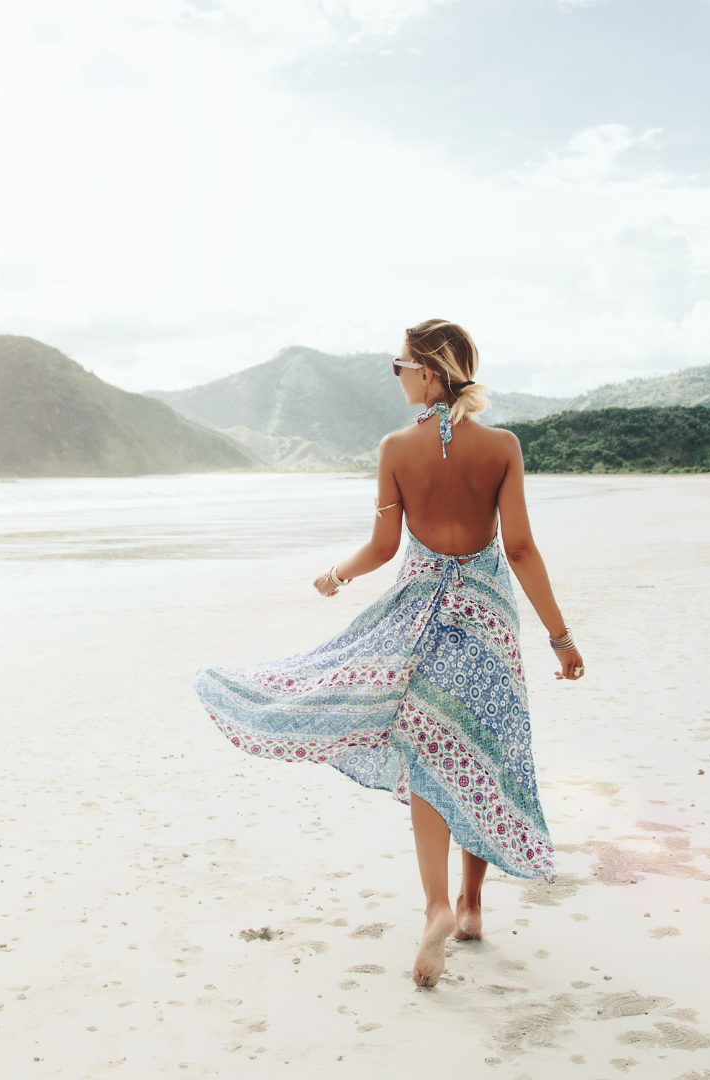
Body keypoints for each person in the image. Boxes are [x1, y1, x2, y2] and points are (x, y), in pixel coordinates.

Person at [193, 319, 585, 988]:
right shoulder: (502, 447)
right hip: (485, 622)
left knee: (431, 759)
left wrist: (338, 575)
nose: (396, 376)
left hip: (416, 620)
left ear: (428, 371)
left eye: (399, 366)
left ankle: (434, 903)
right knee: (480, 751)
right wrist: (559, 635)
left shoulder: (395, 449)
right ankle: (471, 907)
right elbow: (518, 548)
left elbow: (382, 548)